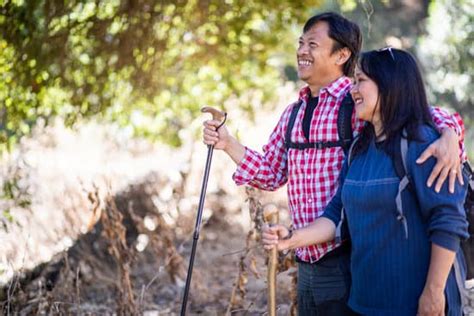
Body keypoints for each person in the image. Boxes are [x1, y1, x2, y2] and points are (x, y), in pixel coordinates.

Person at [203, 12, 466, 315]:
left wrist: (449, 134)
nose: (302, 50)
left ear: (342, 54)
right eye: (300, 43)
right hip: (306, 255)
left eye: (313, 44)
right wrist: (228, 143)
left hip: (347, 259)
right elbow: (272, 174)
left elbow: (414, 111)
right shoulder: (293, 114)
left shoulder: (358, 102)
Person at [262, 48, 469, 316]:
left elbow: (448, 223)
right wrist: (291, 239)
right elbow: (337, 215)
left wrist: (433, 292)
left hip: (415, 304)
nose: (352, 89)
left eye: (361, 81)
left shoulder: (425, 146)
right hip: (362, 303)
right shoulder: (359, 147)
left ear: (390, 84)